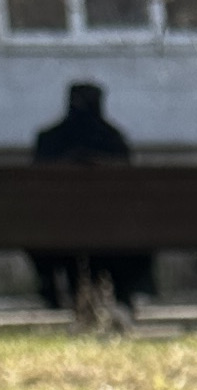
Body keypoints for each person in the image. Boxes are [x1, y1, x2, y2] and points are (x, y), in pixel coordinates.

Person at [30, 83, 156, 310]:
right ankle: (122, 295)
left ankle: (55, 291)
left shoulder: (49, 140)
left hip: (56, 232)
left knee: (47, 231)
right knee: (126, 233)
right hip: (113, 232)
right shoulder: (112, 139)